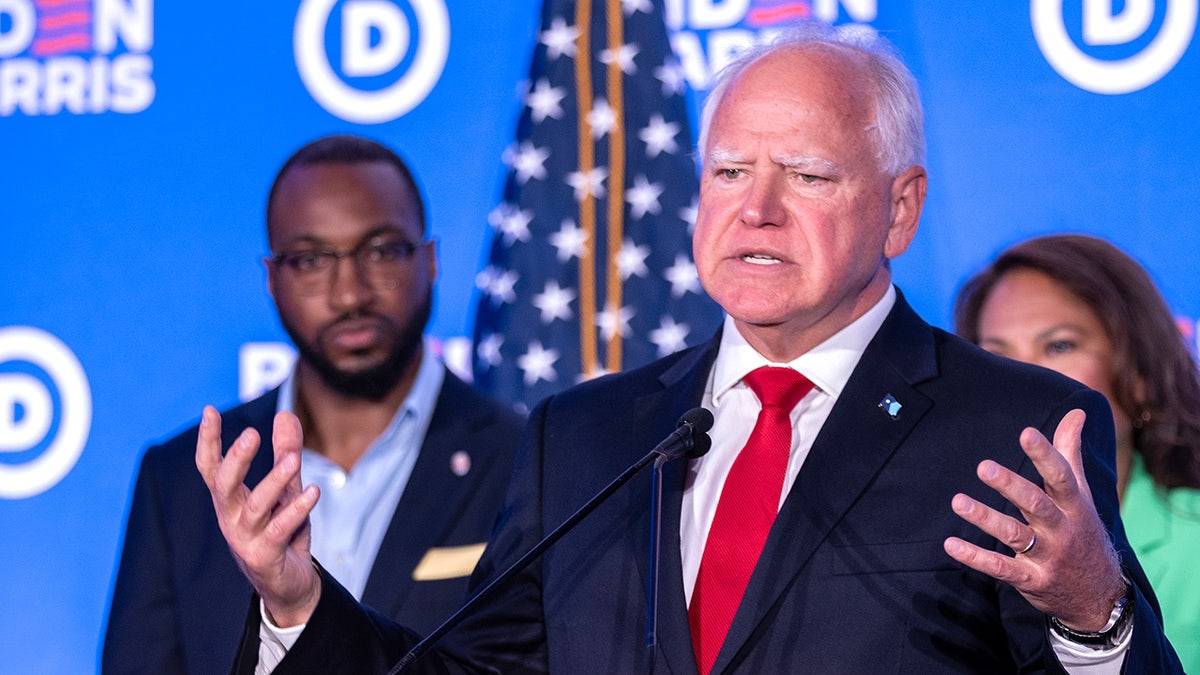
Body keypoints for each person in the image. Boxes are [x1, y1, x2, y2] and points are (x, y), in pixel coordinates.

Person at [198, 23, 1184, 674]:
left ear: (900, 207)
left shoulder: (1011, 429)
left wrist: (1092, 616)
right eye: (729, 171)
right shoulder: (582, 438)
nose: (756, 210)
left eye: (806, 175)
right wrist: (297, 602)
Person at [102, 135, 524, 674]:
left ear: (431, 260)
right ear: (271, 278)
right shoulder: (180, 481)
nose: (350, 294)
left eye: (382, 251)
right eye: (311, 260)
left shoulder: (524, 462)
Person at [955, 233, 1200, 671]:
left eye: (1059, 346)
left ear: (1139, 374)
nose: (1025, 378)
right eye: (995, 357)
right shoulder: (944, 548)